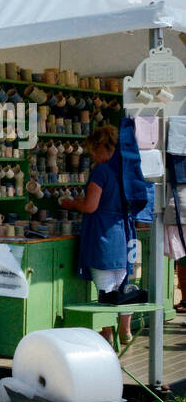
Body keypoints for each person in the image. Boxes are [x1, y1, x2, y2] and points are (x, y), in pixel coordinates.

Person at [59, 125, 143, 347]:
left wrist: (70, 203)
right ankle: (125, 332)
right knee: (122, 286)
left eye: (93, 152)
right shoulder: (127, 169)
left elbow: (90, 206)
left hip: (104, 234)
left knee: (105, 291)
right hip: (125, 233)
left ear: (102, 148)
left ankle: (107, 335)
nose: (92, 156)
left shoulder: (101, 171)